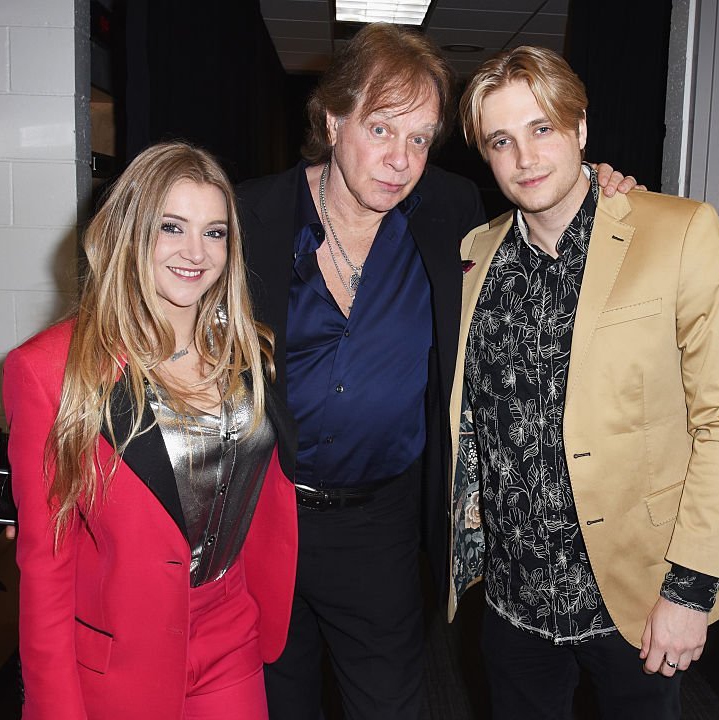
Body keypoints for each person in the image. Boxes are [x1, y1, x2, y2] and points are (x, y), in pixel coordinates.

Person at [237, 22, 636, 720]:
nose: (400, 159)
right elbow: (148, 325)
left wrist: (600, 182)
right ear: (333, 120)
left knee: (390, 704)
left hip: (381, 523)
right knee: (272, 700)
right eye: (383, 129)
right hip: (261, 511)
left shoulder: (448, 211)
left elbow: (547, 205)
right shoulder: (248, 216)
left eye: (420, 138)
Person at [447, 46, 719, 719]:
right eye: (502, 140)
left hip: (636, 601)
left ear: (580, 128)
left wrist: (690, 592)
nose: (526, 158)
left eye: (542, 129)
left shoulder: (678, 231)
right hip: (513, 603)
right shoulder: (475, 253)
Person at [3, 141, 297, 720]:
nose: (196, 252)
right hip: (119, 653)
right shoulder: (50, 370)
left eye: (215, 232)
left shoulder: (248, 352)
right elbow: (45, 569)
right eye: (171, 226)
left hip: (230, 629)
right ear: (131, 232)